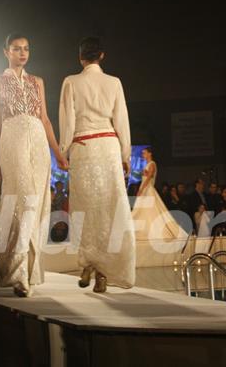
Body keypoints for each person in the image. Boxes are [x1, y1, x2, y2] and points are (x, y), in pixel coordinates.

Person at [0, 34, 67, 297]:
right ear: (6, 51)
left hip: (37, 142)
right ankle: (17, 272)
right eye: (16, 49)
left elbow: (44, 118)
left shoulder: (38, 82)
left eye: (26, 49)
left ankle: (28, 270)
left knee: (36, 204)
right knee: (22, 200)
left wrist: (58, 153)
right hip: (11, 141)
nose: (22, 53)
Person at [59, 36, 135, 292]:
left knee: (84, 208)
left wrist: (63, 150)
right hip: (108, 146)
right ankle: (103, 271)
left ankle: (88, 263)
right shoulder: (114, 82)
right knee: (109, 208)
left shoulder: (71, 81)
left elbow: (67, 120)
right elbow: (121, 119)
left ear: (80, 58)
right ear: (102, 56)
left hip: (83, 146)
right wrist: (125, 154)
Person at [130, 147, 184, 240]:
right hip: (145, 188)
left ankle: (153, 231)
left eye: (144, 153)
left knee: (150, 209)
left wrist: (141, 189)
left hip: (148, 189)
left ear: (150, 153)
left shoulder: (152, 164)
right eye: (142, 153)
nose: (143, 155)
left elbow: (149, 177)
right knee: (143, 209)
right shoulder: (147, 164)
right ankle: (143, 230)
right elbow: (145, 176)